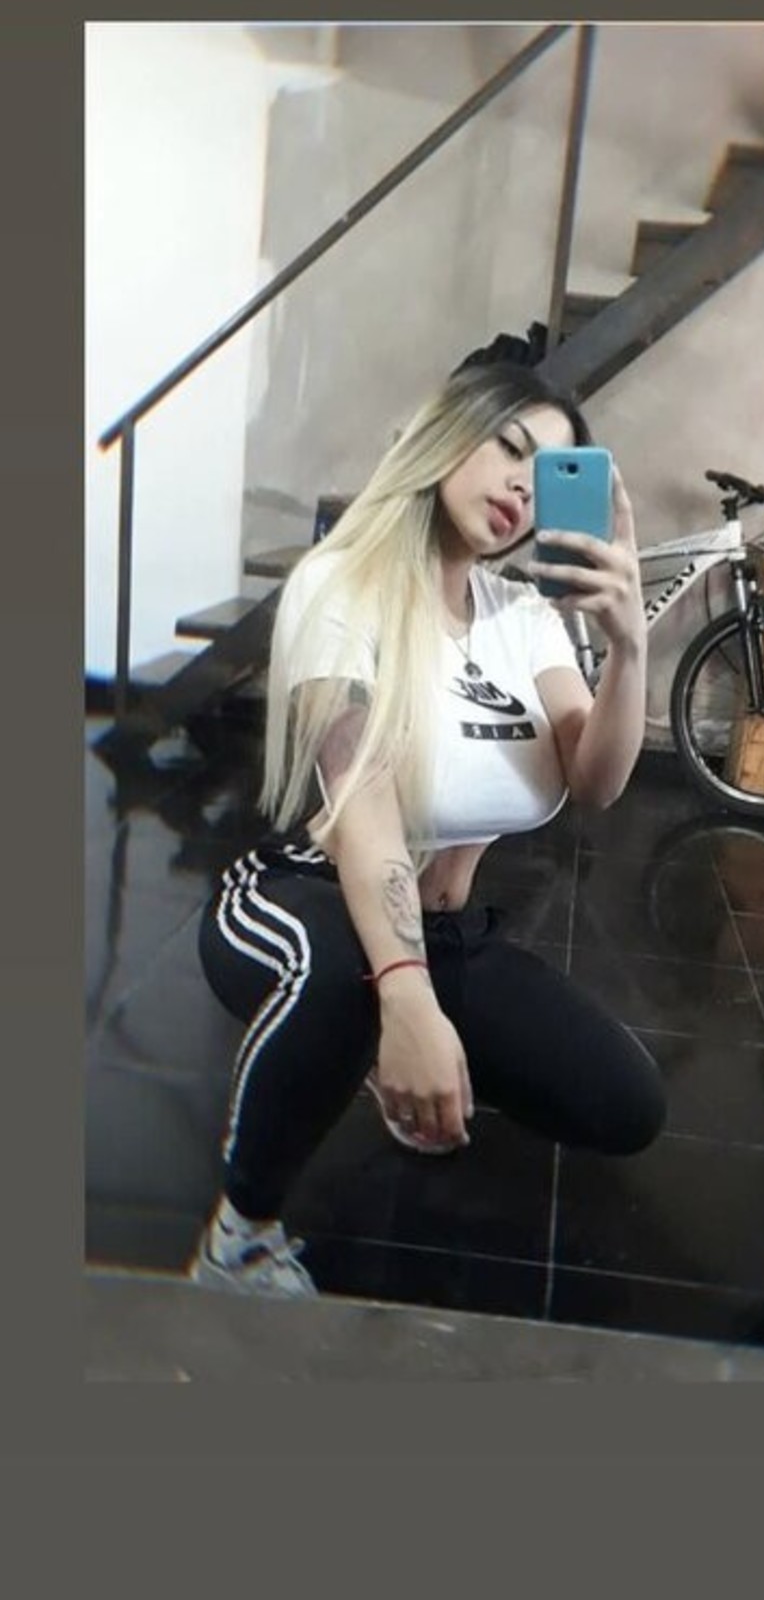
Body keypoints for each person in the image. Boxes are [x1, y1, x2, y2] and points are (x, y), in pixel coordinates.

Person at [191, 355, 666, 1296]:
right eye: (509, 447)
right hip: (305, 896)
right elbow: (361, 798)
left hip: (445, 927)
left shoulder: (524, 615)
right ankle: (238, 1235)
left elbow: (597, 779)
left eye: (547, 475)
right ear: (448, 435)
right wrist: (407, 999)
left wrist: (629, 645)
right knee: (343, 975)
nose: (523, 487)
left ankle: (378, 1037)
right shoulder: (343, 584)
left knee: (625, 1102)